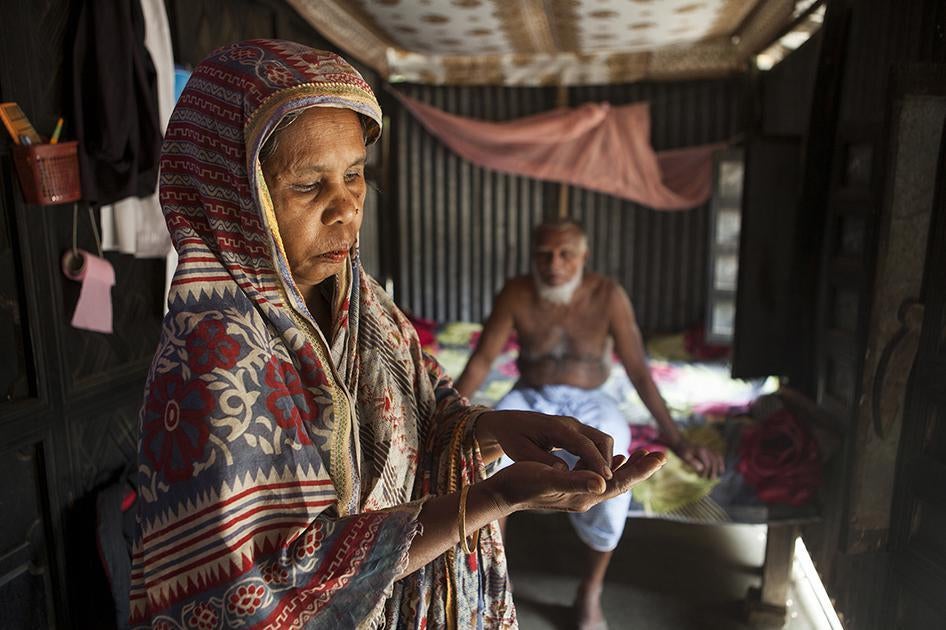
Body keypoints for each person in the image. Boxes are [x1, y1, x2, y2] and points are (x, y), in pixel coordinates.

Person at [129, 40, 666, 629]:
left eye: (354, 175)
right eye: (308, 185)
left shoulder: (363, 302)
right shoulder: (214, 359)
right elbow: (261, 595)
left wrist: (489, 429)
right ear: (232, 196)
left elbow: (428, 415)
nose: (346, 208)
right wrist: (493, 498)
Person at [456, 219, 724, 630]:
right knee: (483, 459)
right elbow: (481, 361)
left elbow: (638, 370)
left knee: (611, 471)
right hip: (531, 397)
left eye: (565, 254)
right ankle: (493, 582)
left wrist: (677, 439)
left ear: (584, 257)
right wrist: (447, 418)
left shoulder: (608, 296)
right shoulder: (516, 292)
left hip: (593, 400)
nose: (554, 264)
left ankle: (590, 591)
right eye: (544, 254)